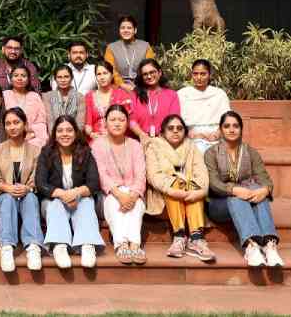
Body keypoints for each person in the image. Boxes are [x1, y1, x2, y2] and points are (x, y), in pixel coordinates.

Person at [205, 111, 283, 267]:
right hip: (218, 205)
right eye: (227, 126)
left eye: (236, 126)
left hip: (247, 200)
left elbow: (265, 179)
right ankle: (252, 246)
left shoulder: (251, 152)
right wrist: (234, 190)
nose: (231, 129)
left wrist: (265, 190)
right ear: (220, 130)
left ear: (241, 129)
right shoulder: (211, 153)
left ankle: (269, 245)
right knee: (237, 196)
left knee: (259, 192)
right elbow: (213, 182)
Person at [36, 115, 105, 269]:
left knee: (87, 203)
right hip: (53, 199)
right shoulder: (46, 152)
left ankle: (87, 245)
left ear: (76, 133)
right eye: (60, 131)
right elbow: (40, 184)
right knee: (55, 205)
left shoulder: (85, 152)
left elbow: (93, 183)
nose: (65, 134)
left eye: (69, 130)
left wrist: (76, 193)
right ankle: (60, 246)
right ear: (54, 134)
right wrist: (62, 194)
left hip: (80, 198)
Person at [145, 114, 215, 262]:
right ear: (162, 132)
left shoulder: (191, 147)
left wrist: (200, 192)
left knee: (192, 185)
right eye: (170, 128)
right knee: (175, 182)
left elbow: (201, 172)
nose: (175, 131)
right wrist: (172, 190)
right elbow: (153, 175)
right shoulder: (154, 146)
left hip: (190, 193)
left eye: (179, 128)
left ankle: (196, 239)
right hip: (163, 194)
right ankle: (179, 236)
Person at [91, 105, 147, 265]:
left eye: (121, 120)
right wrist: (120, 194)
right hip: (109, 194)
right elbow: (101, 175)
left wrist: (133, 195)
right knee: (115, 204)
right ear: (105, 123)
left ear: (127, 123)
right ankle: (121, 244)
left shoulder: (135, 145)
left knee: (136, 205)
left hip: (133, 192)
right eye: (113, 120)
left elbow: (141, 174)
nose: (117, 123)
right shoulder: (97, 145)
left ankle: (135, 244)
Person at [0, 108, 43, 272]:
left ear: (25, 124)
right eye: (8, 124)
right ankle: (6, 247)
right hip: (6, 196)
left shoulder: (36, 151)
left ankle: (33, 246)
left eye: (16, 122)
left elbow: (36, 178)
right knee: (6, 199)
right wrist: (8, 188)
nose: (12, 127)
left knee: (31, 198)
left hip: (27, 195)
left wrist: (27, 188)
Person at [178, 59, 231, 153]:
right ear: (191, 75)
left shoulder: (219, 94)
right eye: (195, 74)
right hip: (191, 135)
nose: (199, 77)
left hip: (215, 135)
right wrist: (189, 133)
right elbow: (177, 120)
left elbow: (227, 119)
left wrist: (217, 134)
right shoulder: (182, 94)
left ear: (209, 75)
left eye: (203, 74)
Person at [129, 59, 180, 147]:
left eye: (152, 72)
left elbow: (174, 119)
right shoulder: (135, 95)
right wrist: (142, 135)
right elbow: (131, 120)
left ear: (159, 72)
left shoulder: (171, 95)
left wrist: (162, 138)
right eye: (145, 74)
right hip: (140, 141)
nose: (149, 76)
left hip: (165, 141)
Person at [84, 61, 134, 144]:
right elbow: (88, 123)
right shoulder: (89, 96)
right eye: (99, 74)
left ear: (111, 75)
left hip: (118, 137)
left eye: (105, 73)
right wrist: (91, 134)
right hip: (97, 139)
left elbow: (127, 121)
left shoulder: (121, 94)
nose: (102, 77)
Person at [103, 15, 155, 92]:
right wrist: (122, 85)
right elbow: (110, 70)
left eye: (129, 28)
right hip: (117, 88)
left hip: (142, 87)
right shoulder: (111, 48)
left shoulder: (145, 46)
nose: (126, 30)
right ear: (119, 30)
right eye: (122, 28)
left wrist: (139, 86)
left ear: (135, 30)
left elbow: (150, 68)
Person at [3, 65, 48, 148]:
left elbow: (41, 122)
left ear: (28, 80)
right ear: (11, 79)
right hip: (8, 137)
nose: (19, 78)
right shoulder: (4, 95)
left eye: (23, 76)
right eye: (16, 76)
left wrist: (29, 133)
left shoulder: (35, 96)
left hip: (32, 138)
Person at [43, 65, 85, 131]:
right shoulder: (47, 97)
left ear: (72, 78)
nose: (63, 80)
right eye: (59, 77)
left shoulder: (80, 97)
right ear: (55, 79)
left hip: (75, 136)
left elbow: (80, 124)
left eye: (66, 77)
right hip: (54, 136)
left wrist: (72, 137)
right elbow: (50, 122)